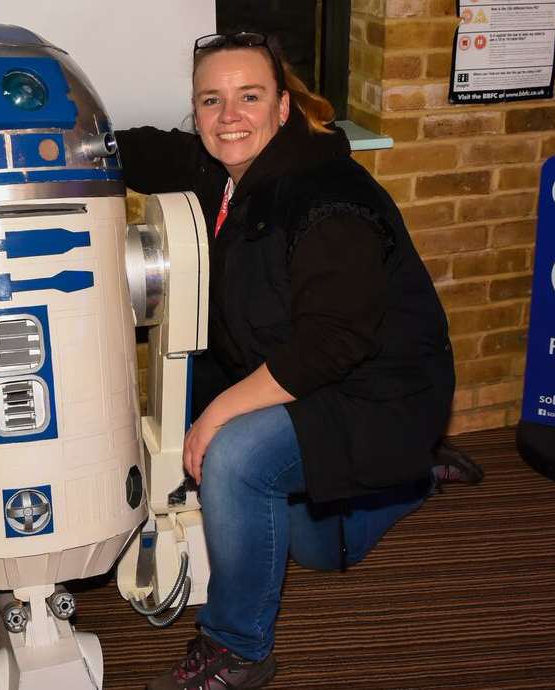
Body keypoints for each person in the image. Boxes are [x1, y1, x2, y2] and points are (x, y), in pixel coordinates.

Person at [115, 31, 482, 690]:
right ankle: (415, 478)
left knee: (233, 456)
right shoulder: (215, 165)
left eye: (248, 97)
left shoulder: (325, 196)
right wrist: (59, 137)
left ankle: (237, 650)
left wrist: (217, 416)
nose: (228, 116)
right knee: (319, 550)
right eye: (210, 101)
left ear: (282, 108)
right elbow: (143, 149)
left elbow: (332, 343)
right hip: (292, 369)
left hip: (376, 389)